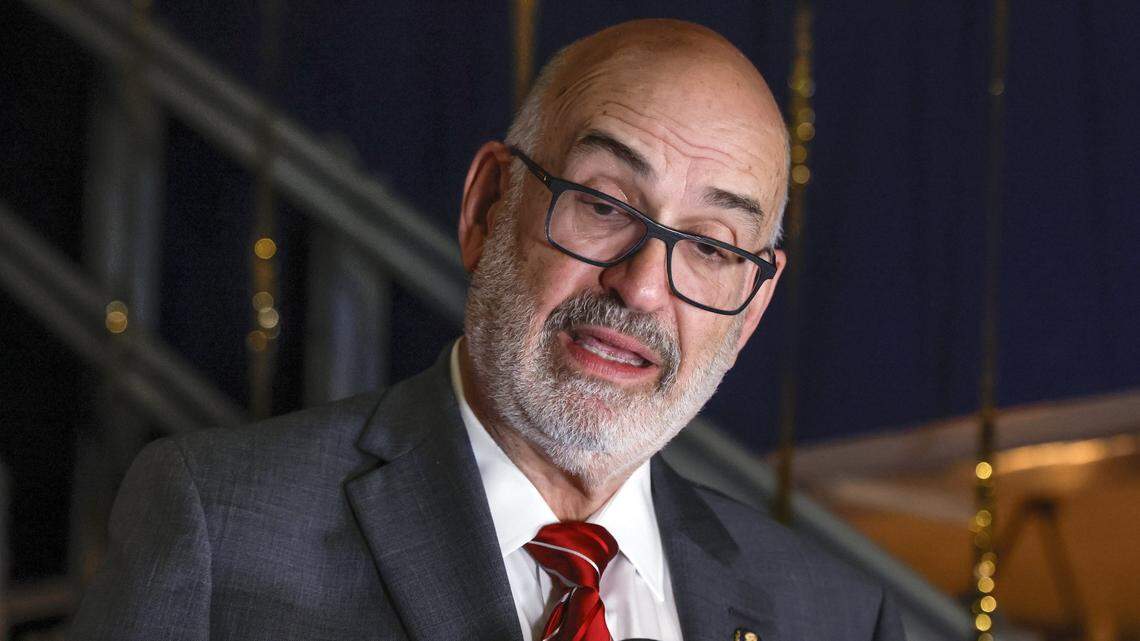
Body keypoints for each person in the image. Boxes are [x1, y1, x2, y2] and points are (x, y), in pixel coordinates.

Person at [70, 19, 904, 641]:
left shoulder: (835, 617)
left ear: (753, 306)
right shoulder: (218, 528)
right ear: (487, 206)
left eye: (714, 246)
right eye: (605, 205)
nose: (645, 286)